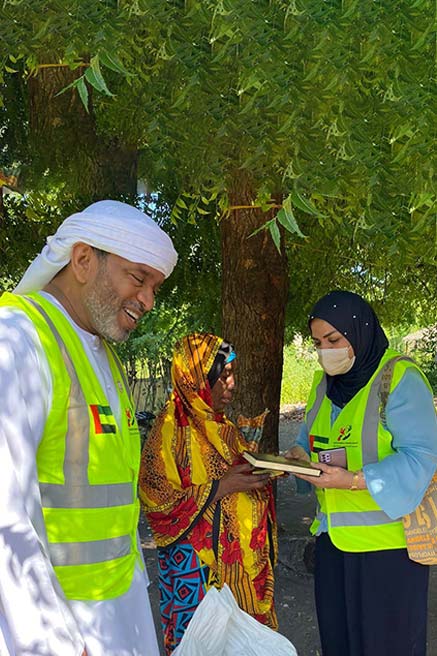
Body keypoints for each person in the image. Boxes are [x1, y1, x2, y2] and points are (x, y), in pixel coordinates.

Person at [0, 200, 178, 656]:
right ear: (82, 260)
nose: (148, 301)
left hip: (120, 611)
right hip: (58, 626)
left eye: (154, 287)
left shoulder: (102, 355)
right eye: (138, 278)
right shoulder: (18, 339)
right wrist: (50, 639)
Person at [286, 290, 437, 656]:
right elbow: (309, 437)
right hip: (333, 545)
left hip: (389, 552)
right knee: (339, 644)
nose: (326, 352)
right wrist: (297, 455)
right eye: (318, 343)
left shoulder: (398, 378)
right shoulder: (323, 384)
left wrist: (354, 480)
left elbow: (422, 456)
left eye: (334, 340)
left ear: (360, 331)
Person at [139, 333, 277, 654]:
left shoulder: (220, 424)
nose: (232, 383)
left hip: (237, 568)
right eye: (224, 375)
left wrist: (260, 470)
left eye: (232, 373)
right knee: (204, 643)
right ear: (199, 376)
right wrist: (222, 486)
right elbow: (157, 503)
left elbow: (236, 472)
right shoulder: (169, 432)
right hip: (196, 569)